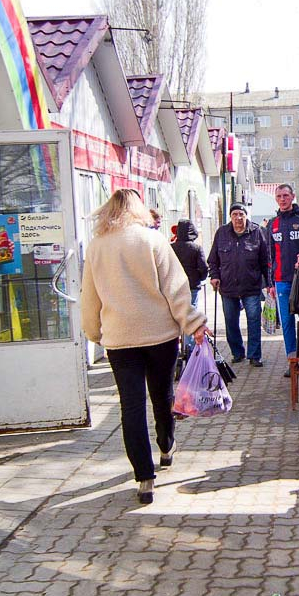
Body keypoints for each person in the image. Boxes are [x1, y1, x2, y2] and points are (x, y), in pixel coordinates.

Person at [80, 189, 209, 504]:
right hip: (159, 335)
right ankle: (166, 446)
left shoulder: (97, 247)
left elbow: (89, 297)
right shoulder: (153, 241)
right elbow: (176, 290)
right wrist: (193, 324)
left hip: (120, 340)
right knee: (162, 395)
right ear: (139, 210)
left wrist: (94, 332)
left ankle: (144, 477)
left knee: (131, 407)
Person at [208, 202, 269, 367]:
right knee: (231, 321)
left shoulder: (257, 232)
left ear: (246, 215)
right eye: (234, 215)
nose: (238, 218)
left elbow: (266, 260)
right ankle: (237, 352)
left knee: (253, 320)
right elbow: (213, 260)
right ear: (230, 217)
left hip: (251, 286)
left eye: (241, 214)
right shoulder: (222, 233)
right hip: (228, 287)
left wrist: (269, 283)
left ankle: (255, 355)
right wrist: (214, 276)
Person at [267, 184, 299, 376]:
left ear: (292, 196)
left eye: (285, 195)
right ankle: (292, 363)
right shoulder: (272, 224)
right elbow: (268, 256)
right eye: (279, 196)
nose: (282, 199)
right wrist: (269, 283)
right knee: (287, 322)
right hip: (281, 280)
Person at [171, 219, 208, 353]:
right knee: (190, 315)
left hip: (174, 287)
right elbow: (203, 268)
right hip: (191, 285)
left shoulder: (171, 247)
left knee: (175, 316)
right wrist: (200, 278)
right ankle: (189, 348)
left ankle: (175, 348)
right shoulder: (196, 248)